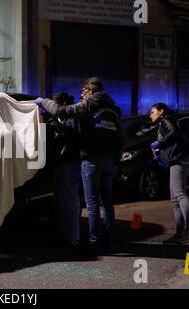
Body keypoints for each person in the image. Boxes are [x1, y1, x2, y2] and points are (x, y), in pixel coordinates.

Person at [37, 77, 122, 254]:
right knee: (107, 204)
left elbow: (61, 111)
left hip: (91, 160)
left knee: (92, 204)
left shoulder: (89, 105)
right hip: (109, 162)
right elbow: (119, 138)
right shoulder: (114, 109)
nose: (81, 95)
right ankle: (109, 242)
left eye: (83, 92)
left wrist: (43, 101)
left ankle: (94, 243)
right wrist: (116, 161)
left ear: (90, 91)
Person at [149, 103, 189, 244]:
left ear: (161, 111)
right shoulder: (162, 125)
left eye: (153, 112)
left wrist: (159, 144)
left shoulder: (167, 119)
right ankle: (179, 233)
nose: (150, 115)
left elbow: (174, 133)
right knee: (175, 199)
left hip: (179, 161)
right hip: (174, 162)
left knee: (179, 195)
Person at [49, 92, 82, 249]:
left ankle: (73, 237)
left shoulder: (72, 116)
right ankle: (65, 235)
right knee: (62, 200)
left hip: (70, 161)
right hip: (63, 162)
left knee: (69, 200)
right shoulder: (67, 117)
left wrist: (53, 122)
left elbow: (68, 134)